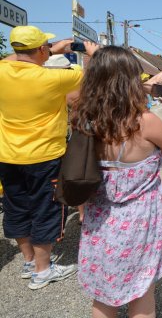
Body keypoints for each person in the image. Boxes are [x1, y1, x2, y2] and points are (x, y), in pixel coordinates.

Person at [72, 46, 162, 317]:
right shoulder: (144, 122)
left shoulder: (83, 117)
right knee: (142, 291)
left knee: (103, 298)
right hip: (139, 221)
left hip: (99, 219)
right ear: (132, 80)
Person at [0, 25, 98, 290]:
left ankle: (30, 261)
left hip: (8, 155)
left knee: (16, 207)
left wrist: (48, 50)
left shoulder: (3, 71)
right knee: (46, 209)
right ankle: (43, 271)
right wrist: (93, 53)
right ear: (42, 49)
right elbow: (95, 75)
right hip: (44, 156)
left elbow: (10, 60)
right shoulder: (54, 78)